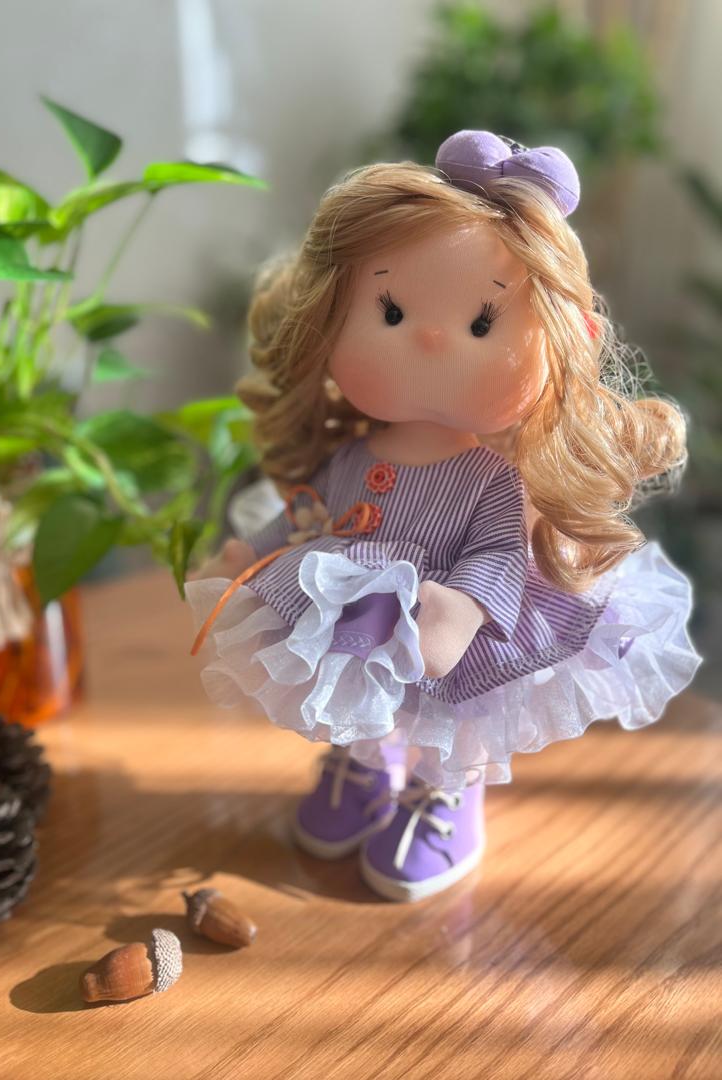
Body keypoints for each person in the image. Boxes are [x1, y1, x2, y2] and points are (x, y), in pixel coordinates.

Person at [185, 130, 701, 902]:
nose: (429, 337)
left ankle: (444, 793)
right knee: (358, 697)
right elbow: (309, 515)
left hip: (445, 627)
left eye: (483, 325)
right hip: (352, 615)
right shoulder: (349, 454)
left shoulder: (491, 479)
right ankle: (365, 768)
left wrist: (462, 608)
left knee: (446, 716)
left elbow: (499, 552)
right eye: (390, 310)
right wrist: (253, 554)